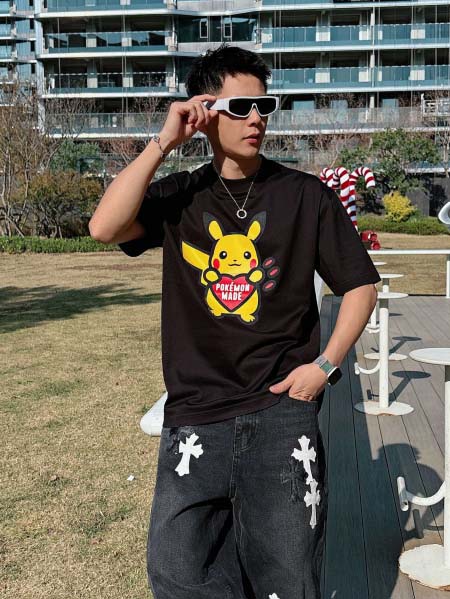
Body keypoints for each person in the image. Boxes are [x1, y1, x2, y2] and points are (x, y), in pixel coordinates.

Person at [89, 43, 380, 599]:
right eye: (240, 107)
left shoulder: (305, 196)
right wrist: (163, 142)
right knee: (179, 572)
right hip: (195, 415)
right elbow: (104, 227)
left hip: (281, 414)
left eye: (264, 106)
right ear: (205, 112)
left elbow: (360, 285)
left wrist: (324, 366)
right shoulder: (182, 195)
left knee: (287, 577)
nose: (256, 119)